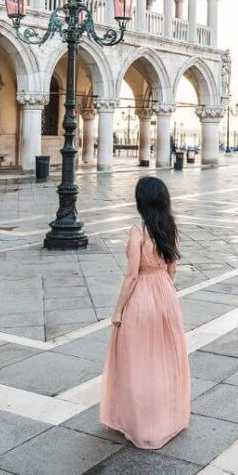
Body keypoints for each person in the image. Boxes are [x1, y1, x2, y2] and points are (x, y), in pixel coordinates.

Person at [100, 176, 190, 449]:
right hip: (165, 294)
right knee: (164, 360)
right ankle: (167, 417)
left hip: (141, 299)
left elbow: (131, 276)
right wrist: (162, 291)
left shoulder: (137, 232)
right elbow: (172, 269)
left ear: (142, 202)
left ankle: (140, 422)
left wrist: (118, 311)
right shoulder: (170, 227)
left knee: (138, 362)